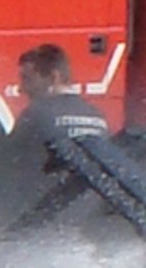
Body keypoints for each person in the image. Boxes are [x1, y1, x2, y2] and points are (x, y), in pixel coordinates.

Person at [7, 43, 111, 210]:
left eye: (28, 80)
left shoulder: (35, 116)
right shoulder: (97, 116)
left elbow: (8, 167)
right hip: (91, 218)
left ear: (53, 78)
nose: (21, 89)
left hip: (51, 218)